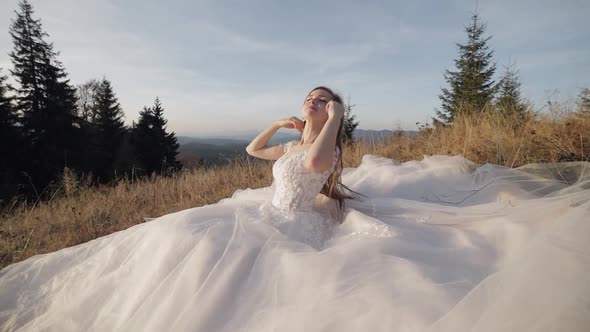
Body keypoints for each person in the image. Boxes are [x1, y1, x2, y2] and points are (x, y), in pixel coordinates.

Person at [1, 87, 588, 331]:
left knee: (215, 258)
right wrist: (279, 123)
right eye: (308, 98)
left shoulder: (323, 144)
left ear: (329, 112)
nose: (309, 103)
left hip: (297, 223)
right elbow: (254, 152)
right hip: (264, 208)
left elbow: (313, 170)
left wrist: (333, 116)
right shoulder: (294, 138)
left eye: (318, 99)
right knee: (181, 238)